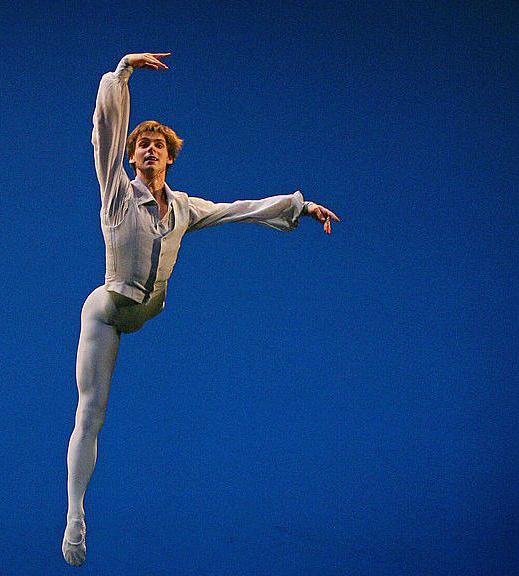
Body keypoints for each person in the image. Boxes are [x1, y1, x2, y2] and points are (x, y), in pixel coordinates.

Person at [62, 52, 340, 566]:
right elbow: (104, 133)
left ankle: (78, 509)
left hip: (146, 310)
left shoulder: (185, 207)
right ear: (132, 158)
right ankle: (75, 514)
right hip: (107, 310)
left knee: (97, 408)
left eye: (157, 145)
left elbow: (240, 210)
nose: (148, 149)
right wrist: (120, 75)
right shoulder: (117, 194)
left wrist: (300, 206)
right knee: (90, 411)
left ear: (169, 157)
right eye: (141, 144)